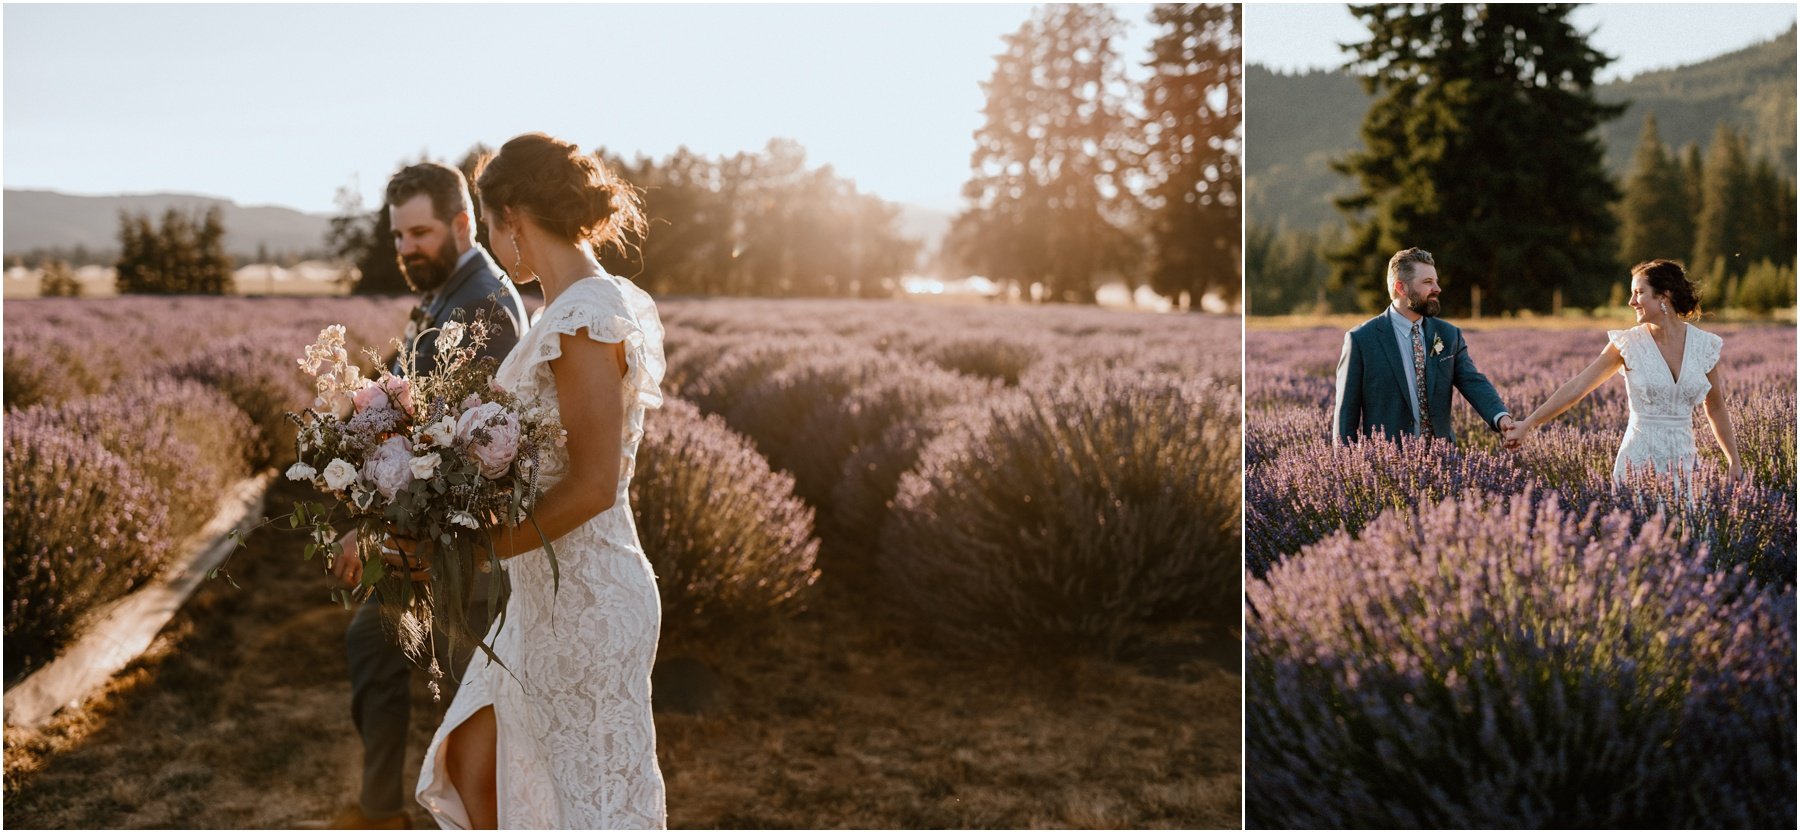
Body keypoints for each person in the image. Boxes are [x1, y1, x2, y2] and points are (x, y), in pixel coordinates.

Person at [398, 132, 668, 829]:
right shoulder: (561, 309)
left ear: (511, 214)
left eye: (491, 225)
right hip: (542, 596)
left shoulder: (586, 314)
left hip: (589, 596)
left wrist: (480, 545)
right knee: (472, 765)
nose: (493, 244)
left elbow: (594, 484)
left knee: (585, 805)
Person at [300, 162, 528, 830]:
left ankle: (470, 816)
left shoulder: (481, 304)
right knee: (374, 648)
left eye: (420, 232)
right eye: (398, 236)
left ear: (462, 223)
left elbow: (457, 457)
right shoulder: (444, 292)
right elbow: (414, 415)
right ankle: (380, 810)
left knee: (469, 701)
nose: (406, 250)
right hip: (424, 537)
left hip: (463, 552)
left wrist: (372, 532)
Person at [1503, 259, 1743, 484]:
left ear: (1664, 294)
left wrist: (1734, 459)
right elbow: (1577, 387)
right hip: (1637, 464)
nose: (1631, 302)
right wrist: (1529, 423)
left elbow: (1716, 407)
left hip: (1686, 466)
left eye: (1638, 292)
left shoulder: (1705, 346)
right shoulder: (1627, 344)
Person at [1332, 247, 1516, 445]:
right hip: (1387, 464)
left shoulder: (1448, 334)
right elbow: (1346, 415)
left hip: (1444, 463)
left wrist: (1501, 418)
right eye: (1428, 282)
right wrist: (1345, 469)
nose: (1437, 288)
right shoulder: (1361, 340)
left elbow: (1472, 381)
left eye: (1436, 281)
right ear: (1401, 288)